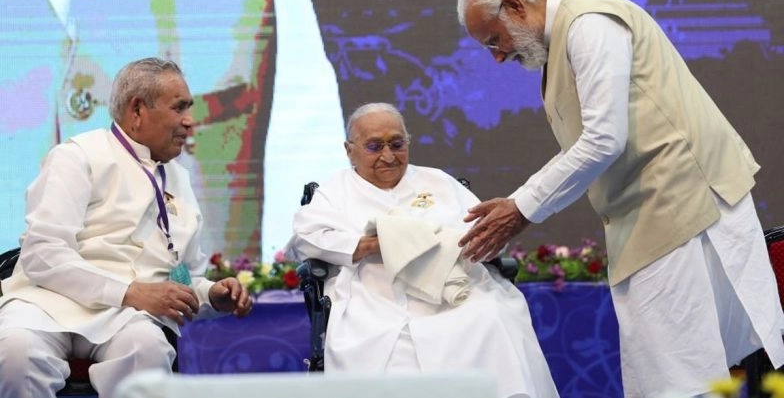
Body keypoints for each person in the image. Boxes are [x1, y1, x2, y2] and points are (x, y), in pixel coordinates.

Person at [455, 0, 784, 397]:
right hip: (655, 214)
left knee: (679, 381)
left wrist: (521, 209)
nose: (497, 57)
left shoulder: (589, 24)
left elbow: (603, 140)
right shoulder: (566, 33)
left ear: (515, 6)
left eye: (493, 40)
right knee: (670, 377)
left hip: (683, 208)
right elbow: (593, 141)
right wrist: (520, 203)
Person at [0, 57, 253, 398]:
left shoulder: (179, 179)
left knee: (147, 349)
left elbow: (181, 275)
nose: (189, 121)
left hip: (125, 316)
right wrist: (130, 292)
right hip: (47, 303)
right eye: (179, 108)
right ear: (137, 110)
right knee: (16, 352)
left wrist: (211, 295)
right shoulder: (78, 155)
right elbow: (43, 254)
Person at [287, 102, 559, 398]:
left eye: (397, 144)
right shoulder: (334, 191)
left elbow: (487, 234)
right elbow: (305, 239)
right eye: (374, 146)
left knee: (492, 316)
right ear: (349, 150)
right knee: (379, 343)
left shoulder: (438, 181)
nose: (388, 156)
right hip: (374, 298)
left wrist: (461, 244)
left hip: (453, 294)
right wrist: (377, 244)